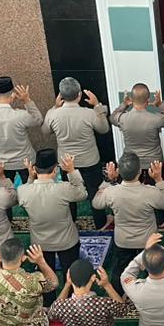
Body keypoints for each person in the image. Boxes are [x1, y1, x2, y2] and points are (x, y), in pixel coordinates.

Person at [95, 152, 164, 281]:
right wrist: (159, 179)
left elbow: (96, 203)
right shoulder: (150, 192)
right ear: (140, 172)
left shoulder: (111, 192)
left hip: (123, 241)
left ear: (118, 172)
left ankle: (119, 297)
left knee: (122, 270)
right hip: (148, 241)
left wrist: (109, 180)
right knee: (153, 270)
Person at [43, 77, 110, 226]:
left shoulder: (53, 114)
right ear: (79, 95)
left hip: (67, 162)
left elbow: (45, 131)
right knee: (94, 192)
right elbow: (104, 129)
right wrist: (97, 106)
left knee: (69, 193)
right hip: (90, 160)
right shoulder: (89, 113)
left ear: (61, 96)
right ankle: (101, 223)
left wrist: (54, 107)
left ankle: (71, 222)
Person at [18, 149, 87, 292]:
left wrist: (30, 178)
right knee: (70, 274)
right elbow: (82, 193)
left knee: (45, 278)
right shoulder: (63, 188)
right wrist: (72, 171)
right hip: (67, 241)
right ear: (55, 169)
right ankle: (68, 303)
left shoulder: (23, 191)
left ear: (35, 169)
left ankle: (48, 305)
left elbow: (24, 192)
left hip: (40, 244)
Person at [0, 77, 42, 184]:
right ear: (13, 95)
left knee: (5, 191)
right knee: (30, 187)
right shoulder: (20, 115)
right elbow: (38, 120)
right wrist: (27, 100)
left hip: (0, 163)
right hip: (25, 160)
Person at [110, 83, 164, 164]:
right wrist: (160, 104)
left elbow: (112, 118)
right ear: (148, 100)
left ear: (132, 100)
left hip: (132, 164)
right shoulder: (156, 118)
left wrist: (124, 104)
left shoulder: (122, 118)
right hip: (154, 163)